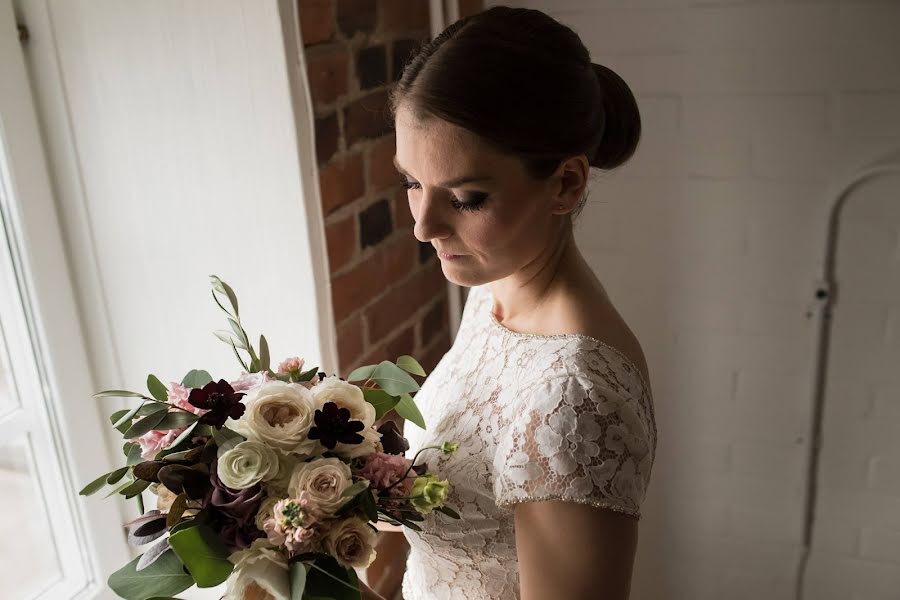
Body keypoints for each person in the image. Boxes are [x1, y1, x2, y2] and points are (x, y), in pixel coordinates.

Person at [362, 5, 658, 600]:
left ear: (566, 184)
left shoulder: (573, 396)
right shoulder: (492, 291)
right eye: (411, 182)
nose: (422, 227)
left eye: (466, 198)